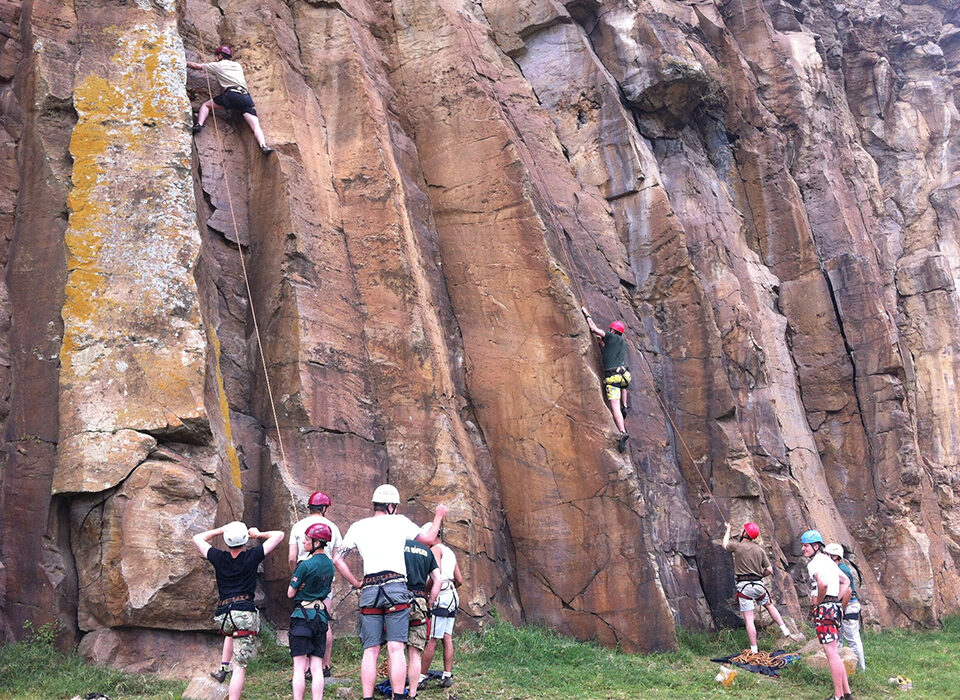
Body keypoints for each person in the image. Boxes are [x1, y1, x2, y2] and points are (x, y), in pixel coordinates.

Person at [333, 484, 447, 700]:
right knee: (396, 648)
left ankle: (367, 698)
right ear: (392, 506)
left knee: (371, 650)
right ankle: (399, 696)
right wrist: (439, 516)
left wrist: (356, 582)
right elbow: (429, 539)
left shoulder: (358, 526)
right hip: (395, 587)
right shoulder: (400, 522)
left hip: (369, 589)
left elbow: (337, 559)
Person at [193, 521, 284, 700]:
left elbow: (197, 538)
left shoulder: (219, 557)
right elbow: (279, 535)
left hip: (224, 615)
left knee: (231, 633)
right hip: (243, 612)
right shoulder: (251, 556)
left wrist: (221, 530)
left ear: (227, 540)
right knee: (240, 666)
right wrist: (257, 535)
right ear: (244, 540)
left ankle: (223, 668)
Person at [290, 491, 343, 678]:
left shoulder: (297, 526)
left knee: (302, 620)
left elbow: (291, 557)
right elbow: (337, 558)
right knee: (323, 621)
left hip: (302, 578)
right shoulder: (333, 528)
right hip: (324, 582)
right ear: (324, 508)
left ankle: (303, 666)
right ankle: (323, 666)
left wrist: (296, 578)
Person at [186, 45, 274, 154]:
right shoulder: (237, 65)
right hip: (245, 97)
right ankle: (264, 146)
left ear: (219, 56)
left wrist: (183, 62)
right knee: (255, 125)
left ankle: (199, 125)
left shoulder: (217, 65)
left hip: (232, 95)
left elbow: (196, 66)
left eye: (216, 56)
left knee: (206, 105)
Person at [721, 522, 792, 651]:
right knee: (769, 606)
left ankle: (754, 650)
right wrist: (760, 575)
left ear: (745, 533)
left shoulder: (737, 546)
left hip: (744, 587)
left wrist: (728, 530)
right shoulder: (759, 549)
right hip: (759, 585)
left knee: (749, 618)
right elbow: (769, 569)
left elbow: (724, 545)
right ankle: (785, 629)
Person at [801, 530, 853, 700]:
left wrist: (819, 602)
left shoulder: (814, 564)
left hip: (825, 609)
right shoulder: (829, 561)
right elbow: (845, 582)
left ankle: (838, 696)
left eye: (806, 545)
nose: (803, 549)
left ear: (816, 546)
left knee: (831, 653)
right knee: (835, 653)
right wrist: (835, 599)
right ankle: (847, 694)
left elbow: (822, 584)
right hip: (835, 608)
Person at [287, 523, 336, 700]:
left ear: (317, 542)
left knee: (299, 667)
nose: (304, 542)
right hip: (320, 618)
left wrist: (299, 587)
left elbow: (290, 593)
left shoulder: (305, 565)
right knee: (317, 666)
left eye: (307, 540)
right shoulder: (330, 565)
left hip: (302, 616)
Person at [581, 306, 631, 452]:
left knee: (613, 405)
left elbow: (594, 329)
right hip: (625, 376)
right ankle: (625, 405)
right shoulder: (622, 342)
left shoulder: (610, 336)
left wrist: (587, 315)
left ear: (613, 331)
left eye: (611, 330)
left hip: (613, 377)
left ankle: (622, 432)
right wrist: (602, 344)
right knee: (623, 387)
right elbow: (609, 349)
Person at [419, 527, 463, 689]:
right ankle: (447, 675)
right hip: (452, 594)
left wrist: (426, 590)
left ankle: (421, 677)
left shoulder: (435, 550)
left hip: (442, 595)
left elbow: (437, 575)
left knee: (432, 637)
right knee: (446, 635)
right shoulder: (449, 551)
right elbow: (459, 580)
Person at [402, 534, 442, 698]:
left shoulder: (399, 545)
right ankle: (412, 693)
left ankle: (396, 692)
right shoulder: (427, 552)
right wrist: (430, 601)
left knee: (395, 649)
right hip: (419, 600)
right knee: (414, 653)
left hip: (398, 599)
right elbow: (438, 580)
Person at [826, 542, 866, 671]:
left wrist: (840, 609)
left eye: (828, 555)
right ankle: (842, 668)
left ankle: (861, 668)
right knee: (839, 638)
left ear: (835, 557)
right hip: (844, 605)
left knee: (853, 639)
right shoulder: (837, 568)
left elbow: (848, 592)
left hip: (848, 605)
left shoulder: (841, 570)